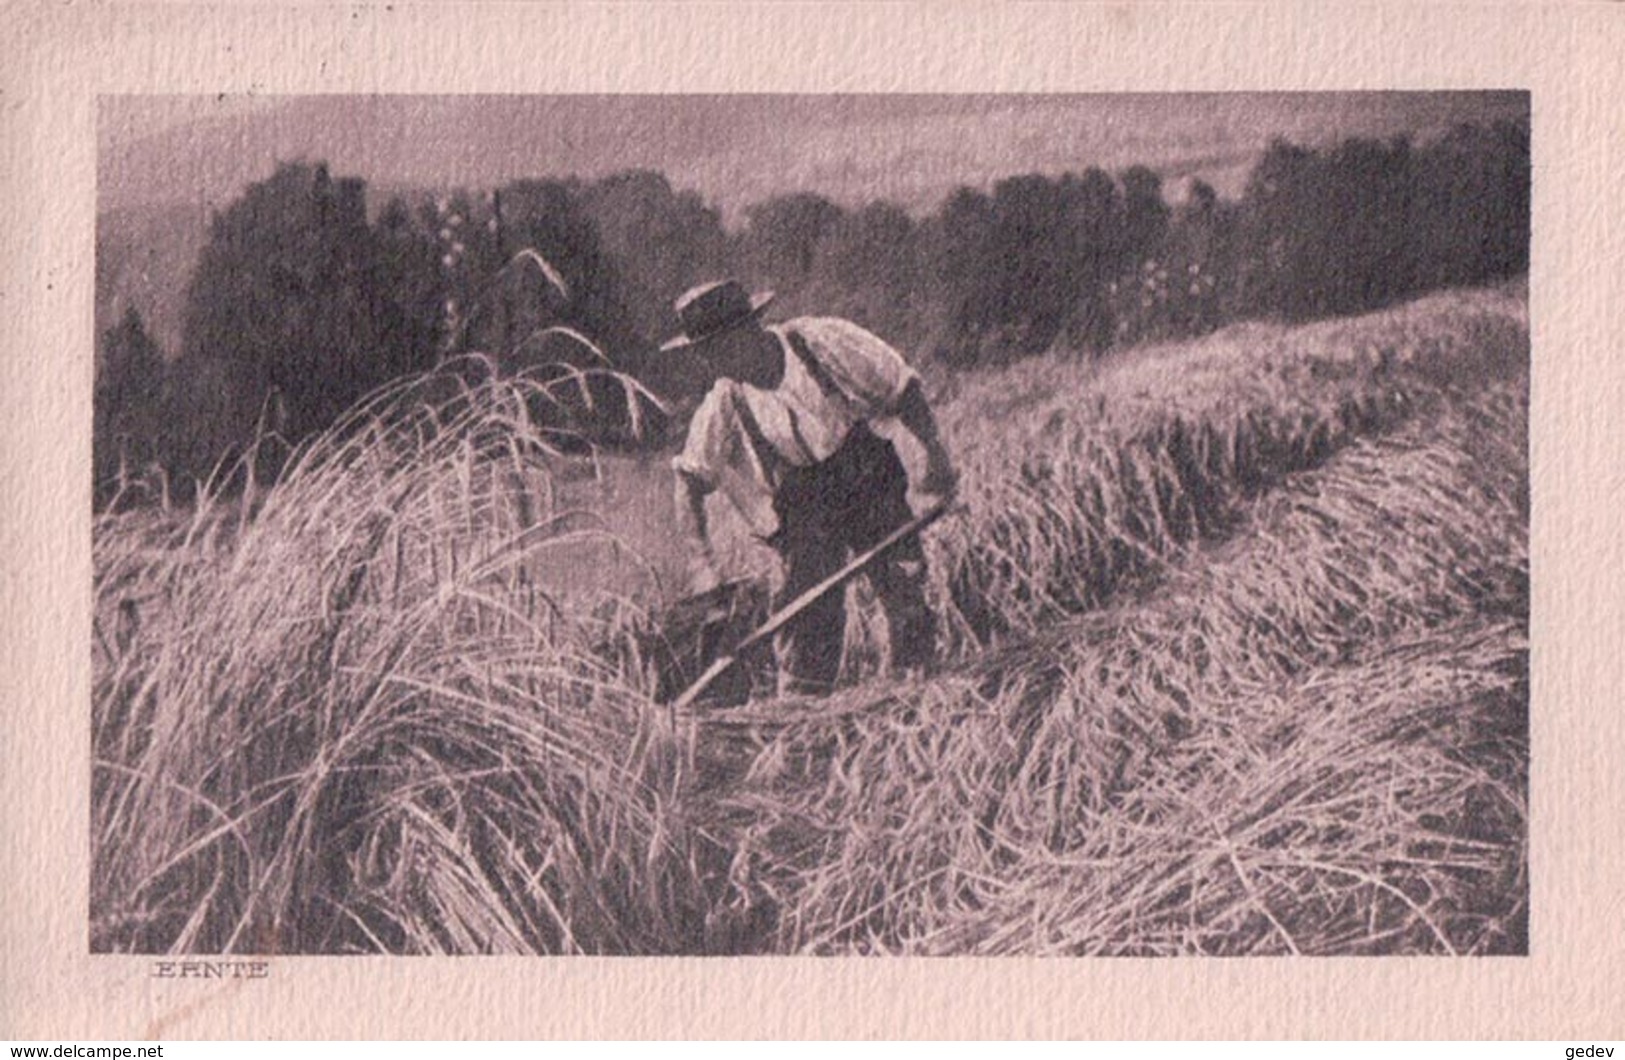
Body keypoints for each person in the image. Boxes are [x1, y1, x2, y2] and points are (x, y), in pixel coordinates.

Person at [665, 279, 958, 696]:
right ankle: (803, 709)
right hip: (805, 507)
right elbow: (689, 480)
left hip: (866, 478)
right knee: (804, 618)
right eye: (706, 354)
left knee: (904, 587)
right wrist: (701, 563)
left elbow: (901, 387)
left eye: (720, 348)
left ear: (749, 330)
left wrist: (936, 458)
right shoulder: (725, 400)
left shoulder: (820, 342)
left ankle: (914, 689)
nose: (716, 364)